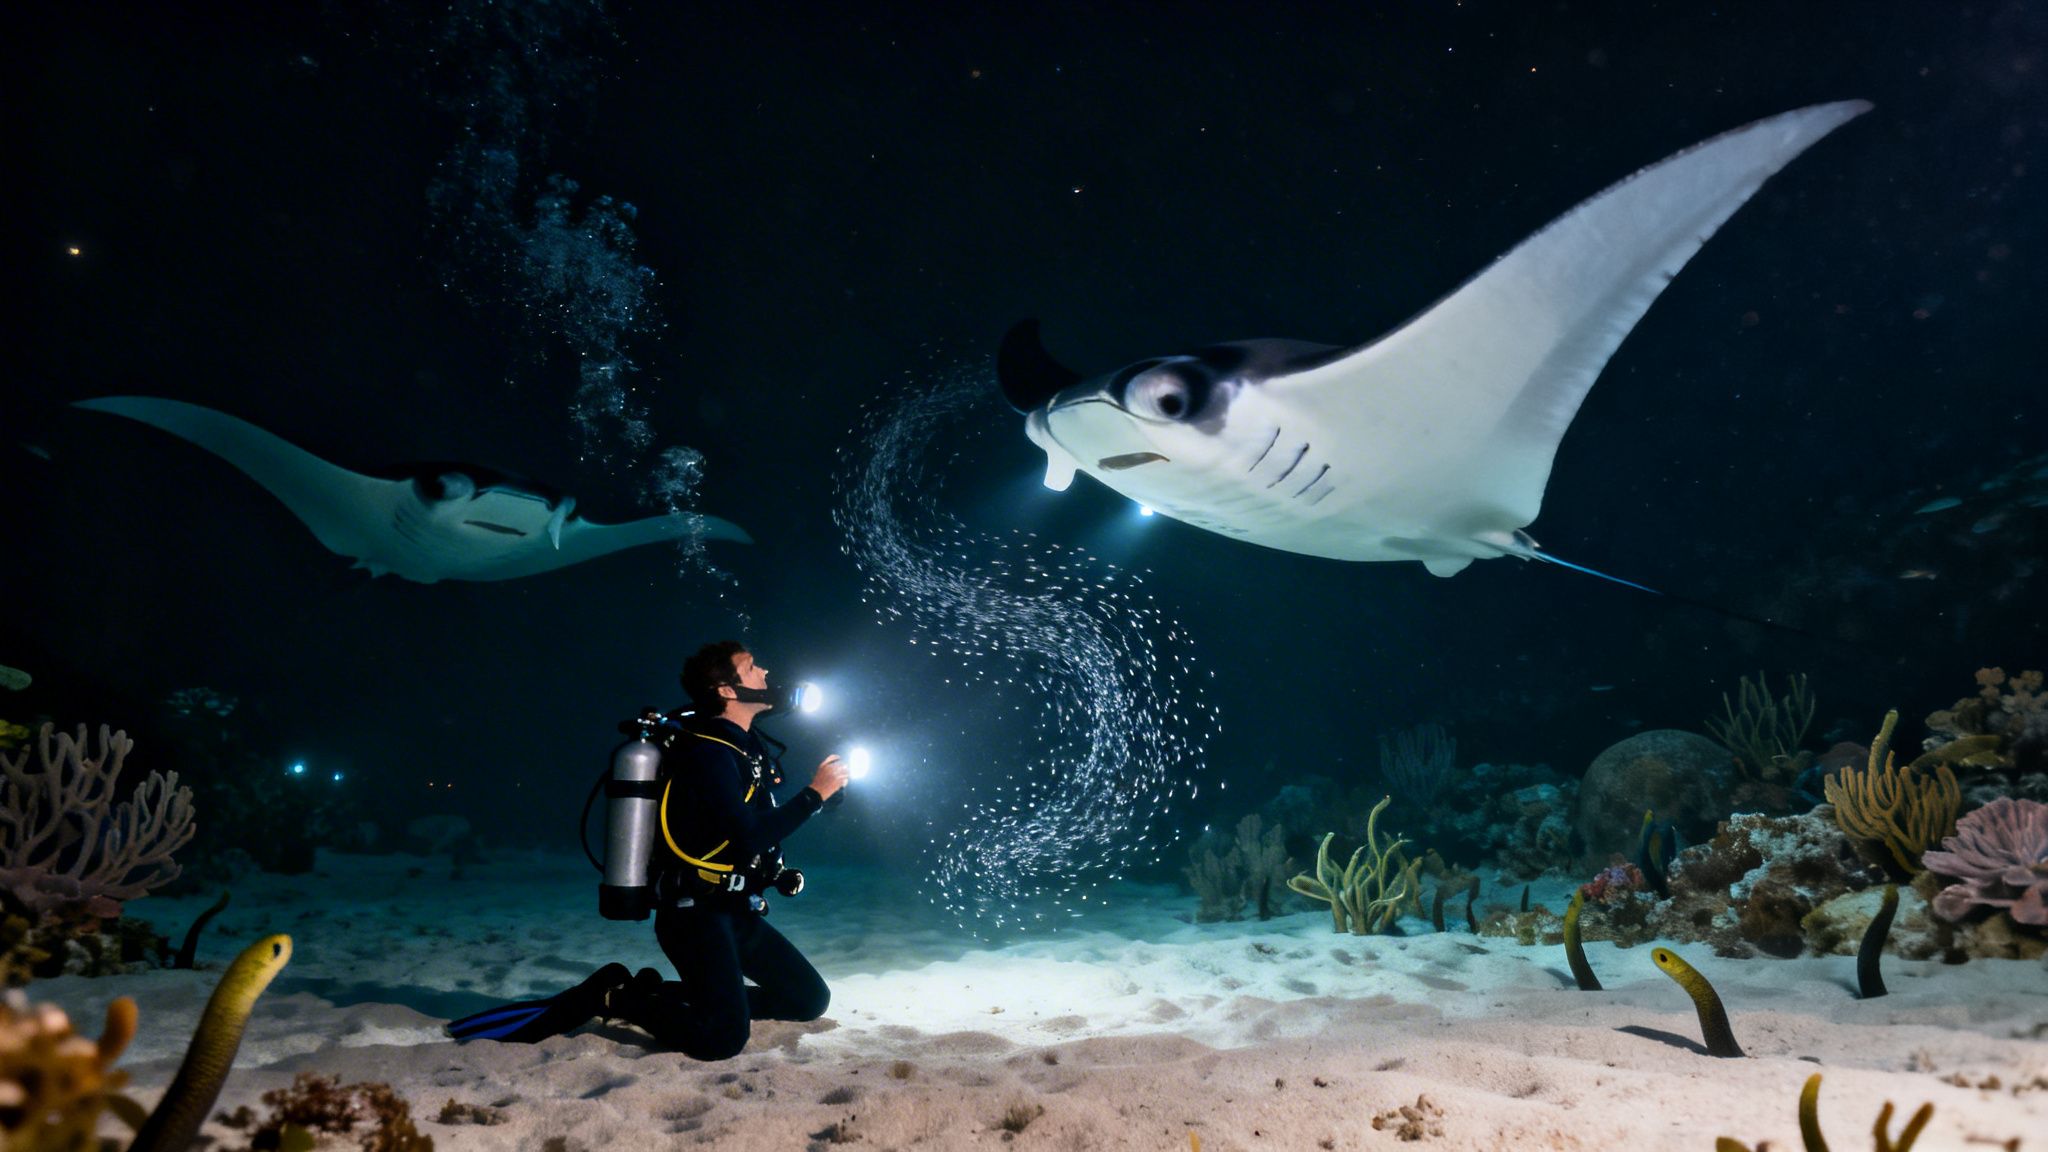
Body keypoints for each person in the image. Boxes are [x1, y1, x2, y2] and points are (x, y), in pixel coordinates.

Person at [446, 641, 848, 1058]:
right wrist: (814, 795)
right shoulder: (708, 753)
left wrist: (823, 799)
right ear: (727, 691)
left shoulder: (746, 747)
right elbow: (748, 836)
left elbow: (759, 825)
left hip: (733, 909)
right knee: (722, 1040)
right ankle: (615, 997)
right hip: (694, 916)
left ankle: (661, 994)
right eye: (751, 667)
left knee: (808, 1000)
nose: (765, 672)